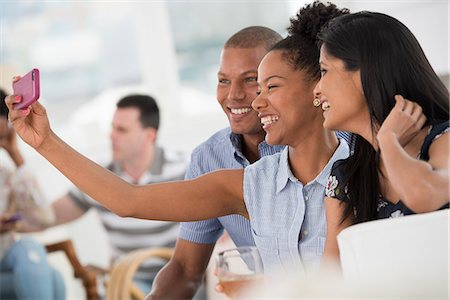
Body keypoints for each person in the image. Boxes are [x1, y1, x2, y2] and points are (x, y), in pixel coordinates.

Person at [6, 0, 349, 283]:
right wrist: (45, 141)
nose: (252, 99)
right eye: (223, 80)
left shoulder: (359, 161)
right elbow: (129, 201)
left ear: (318, 90)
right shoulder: (253, 184)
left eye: (266, 86)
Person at [149, 26, 285, 299]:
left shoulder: (313, 145)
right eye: (223, 81)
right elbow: (187, 268)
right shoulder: (208, 158)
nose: (232, 95)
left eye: (249, 80)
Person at [16, 94, 187, 293]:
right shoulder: (99, 179)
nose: (112, 135)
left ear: (149, 136)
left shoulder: (184, 169)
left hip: (179, 278)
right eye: (113, 127)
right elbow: (45, 218)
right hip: (128, 283)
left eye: (121, 130)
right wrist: (10, 223)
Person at [313, 11, 449, 261]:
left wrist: (387, 140)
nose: (317, 90)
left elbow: (423, 195)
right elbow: (333, 276)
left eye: (324, 71)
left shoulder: (444, 139)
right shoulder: (346, 177)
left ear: (364, 72)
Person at [0, 88, 66, 300]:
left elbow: (44, 219)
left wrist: (15, 154)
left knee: (31, 250)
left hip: (7, 259)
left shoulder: (6, 176)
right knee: (52, 278)